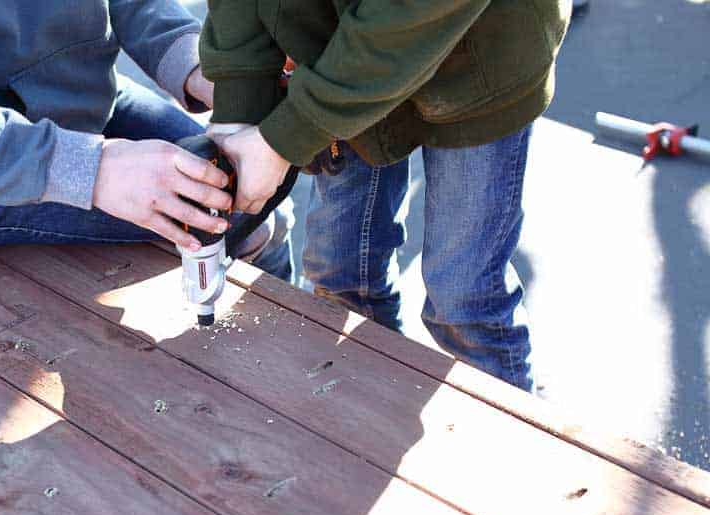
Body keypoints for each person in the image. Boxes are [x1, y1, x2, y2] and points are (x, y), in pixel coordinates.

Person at [201, 0, 571, 392]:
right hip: (341, 55)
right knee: (339, 272)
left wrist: (287, 137)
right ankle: (365, 418)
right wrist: (240, 100)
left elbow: (409, 12)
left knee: (463, 298)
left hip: (481, 61)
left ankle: (513, 433)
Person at [0, 1, 293, 279]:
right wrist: (97, 169)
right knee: (230, 213)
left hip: (84, 102)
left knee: (253, 192)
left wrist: (211, 73)